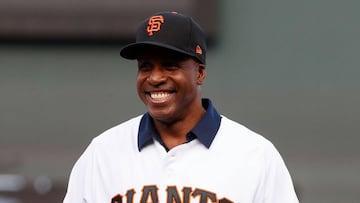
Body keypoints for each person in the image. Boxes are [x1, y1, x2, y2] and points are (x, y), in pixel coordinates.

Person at [63, 11, 299, 203]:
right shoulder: (103, 152)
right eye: (145, 66)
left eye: (170, 65)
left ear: (200, 73)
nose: (155, 77)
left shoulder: (255, 155)